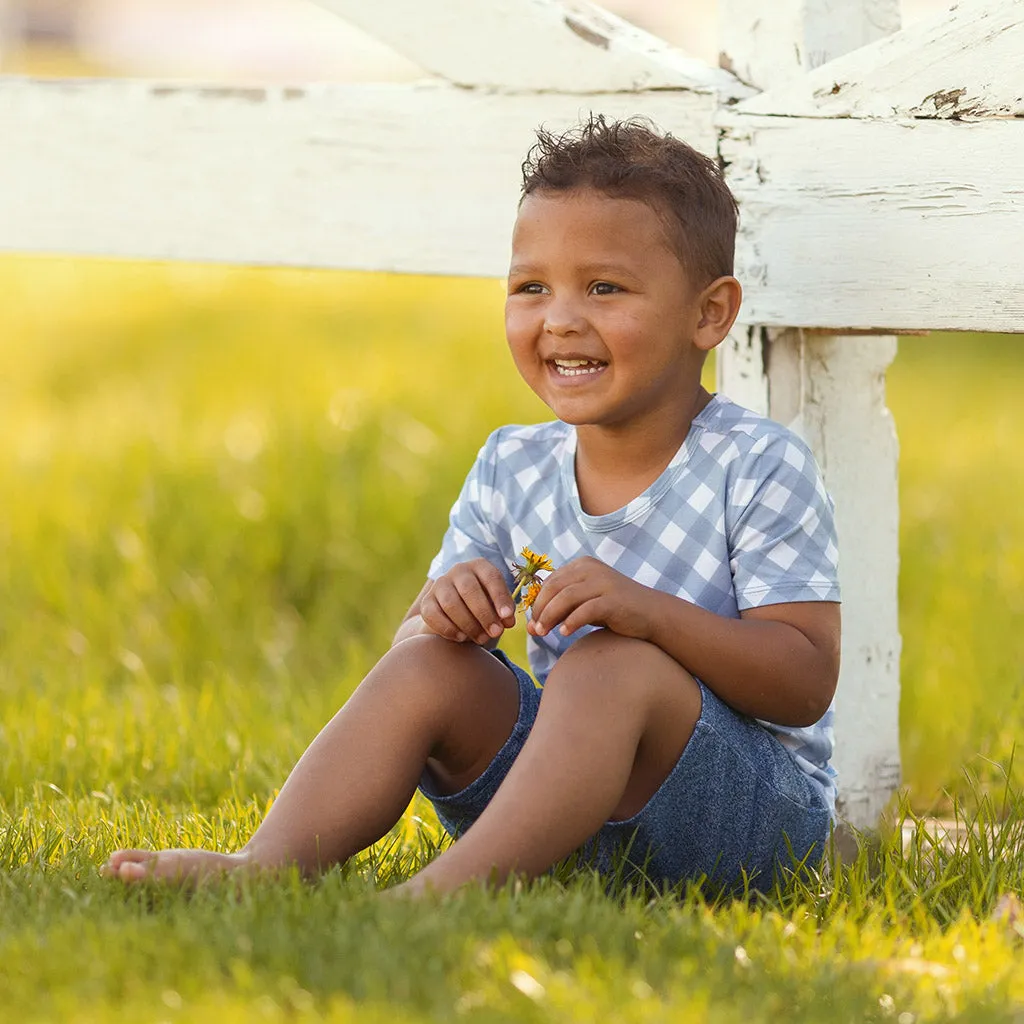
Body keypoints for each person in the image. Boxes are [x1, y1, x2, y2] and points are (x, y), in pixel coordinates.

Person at [103, 116, 840, 895]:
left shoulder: (756, 462)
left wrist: (648, 615)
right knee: (429, 664)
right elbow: (420, 651)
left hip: (744, 824)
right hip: (563, 813)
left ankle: (443, 896)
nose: (559, 318)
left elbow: (803, 681)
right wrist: (442, 612)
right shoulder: (510, 465)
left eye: (605, 287)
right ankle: (269, 866)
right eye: (531, 288)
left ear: (709, 315)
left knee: (607, 663)